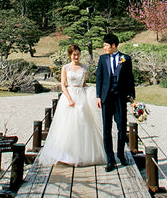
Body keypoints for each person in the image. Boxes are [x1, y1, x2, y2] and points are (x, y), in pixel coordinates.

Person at [37, 44, 106, 166]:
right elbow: (63, 85)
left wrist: (93, 91)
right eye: (74, 55)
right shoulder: (65, 68)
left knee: (82, 124)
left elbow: (83, 84)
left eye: (78, 54)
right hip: (69, 96)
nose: (76, 57)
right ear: (70, 55)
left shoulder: (84, 68)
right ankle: (66, 155)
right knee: (66, 126)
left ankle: (81, 154)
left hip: (81, 96)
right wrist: (69, 98)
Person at [95, 33, 135, 172]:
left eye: (106, 45)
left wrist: (132, 97)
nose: (104, 48)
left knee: (121, 127)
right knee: (106, 128)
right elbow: (99, 78)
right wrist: (98, 96)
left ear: (113, 45)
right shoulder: (102, 58)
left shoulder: (126, 58)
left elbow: (130, 78)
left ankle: (121, 155)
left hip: (120, 97)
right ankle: (110, 160)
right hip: (106, 97)